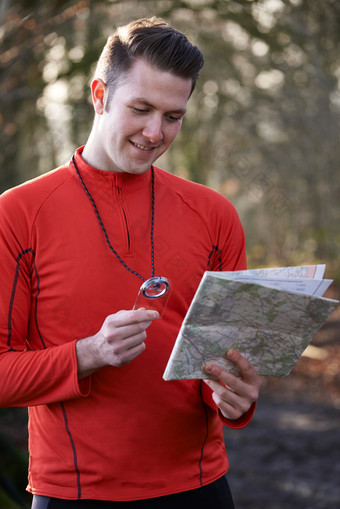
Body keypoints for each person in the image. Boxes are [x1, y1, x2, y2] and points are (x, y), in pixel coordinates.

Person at [0, 17, 262, 509]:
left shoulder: (216, 215)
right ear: (99, 94)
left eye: (173, 116)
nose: (154, 132)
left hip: (200, 489)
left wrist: (235, 398)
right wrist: (86, 354)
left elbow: (224, 367)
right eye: (140, 109)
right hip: (73, 493)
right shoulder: (17, 213)